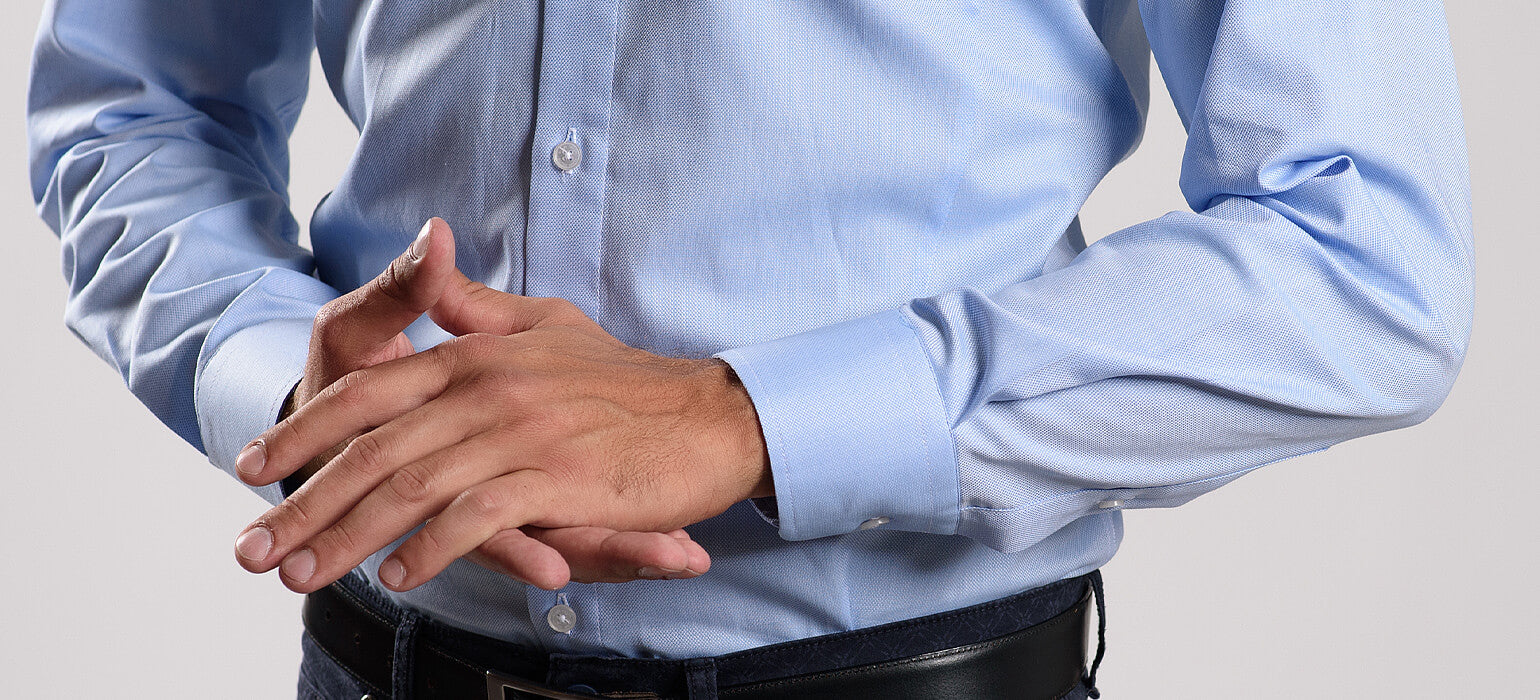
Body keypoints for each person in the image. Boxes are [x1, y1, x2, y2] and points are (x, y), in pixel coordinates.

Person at [26, 0, 1473, 697]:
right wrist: (294, 383)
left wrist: (753, 418)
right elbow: (133, 100)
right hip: (383, 668)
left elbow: (1365, 255)